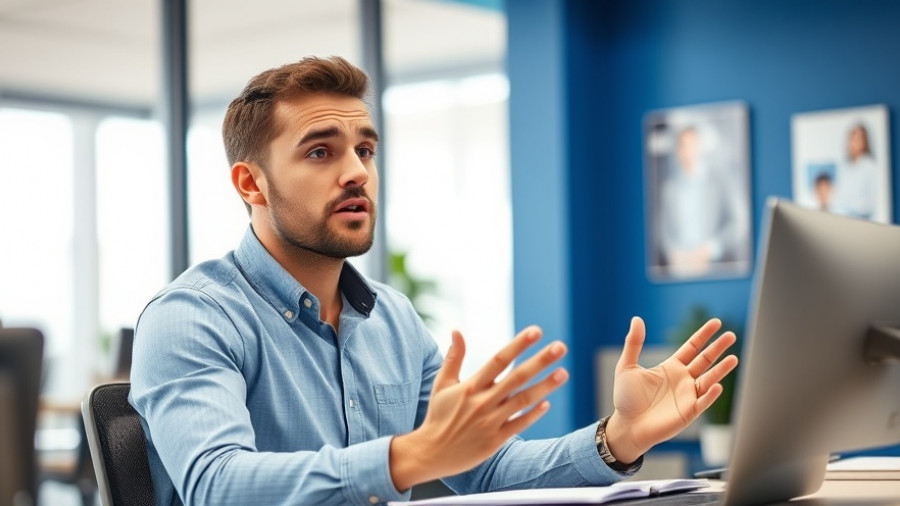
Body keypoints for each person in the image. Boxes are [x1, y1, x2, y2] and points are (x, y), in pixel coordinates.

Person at [130, 56, 738, 506]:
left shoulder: (391, 319)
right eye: (320, 152)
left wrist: (619, 438)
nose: (356, 172)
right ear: (251, 184)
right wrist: (410, 456)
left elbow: (486, 470)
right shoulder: (192, 316)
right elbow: (217, 485)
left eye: (365, 150)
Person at [658, 125, 750, 277]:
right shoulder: (670, 188)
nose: (687, 151)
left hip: (714, 266)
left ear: (699, 147)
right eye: (683, 146)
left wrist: (711, 249)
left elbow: (739, 223)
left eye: (692, 145)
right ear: (677, 151)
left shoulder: (720, 180)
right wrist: (673, 253)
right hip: (679, 268)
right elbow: (663, 232)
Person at [832, 123, 880, 221]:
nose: (853, 143)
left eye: (858, 140)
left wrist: (849, 205)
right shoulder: (844, 167)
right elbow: (838, 197)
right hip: (842, 220)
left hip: (860, 221)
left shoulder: (870, 167)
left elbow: (868, 205)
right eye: (852, 139)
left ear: (864, 142)